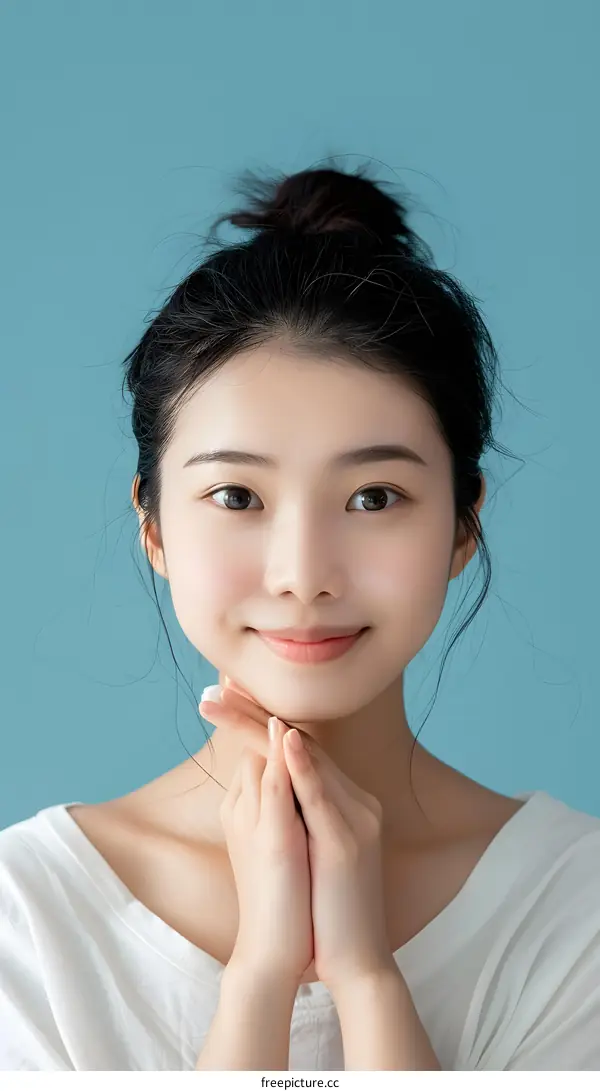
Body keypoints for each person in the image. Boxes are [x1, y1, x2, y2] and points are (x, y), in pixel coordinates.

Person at [1, 163, 600, 1073]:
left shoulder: (576, 903)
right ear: (153, 524)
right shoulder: (28, 918)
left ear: (464, 520)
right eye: (237, 494)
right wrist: (262, 973)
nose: (302, 575)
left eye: (373, 497)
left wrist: (367, 974)